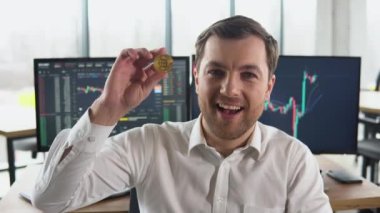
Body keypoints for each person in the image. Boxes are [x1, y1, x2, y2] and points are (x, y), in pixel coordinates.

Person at [32, 15, 332, 213]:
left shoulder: (293, 160)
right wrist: (107, 108)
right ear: (196, 78)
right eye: (215, 71)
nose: (229, 89)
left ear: (268, 87)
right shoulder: (149, 144)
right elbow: (50, 200)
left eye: (248, 75)